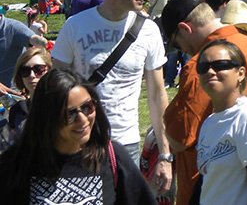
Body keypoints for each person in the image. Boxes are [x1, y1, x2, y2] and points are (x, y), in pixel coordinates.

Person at [51, 0, 172, 191]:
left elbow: (157, 96)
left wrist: (165, 155)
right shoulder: (75, 26)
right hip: (80, 141)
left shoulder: (148, 31)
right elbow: (56, 91)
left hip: (125, 144)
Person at [159, 0, 247, 205]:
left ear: (185, 29)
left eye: (178, 45)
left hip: (212, 191)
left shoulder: (200, 67)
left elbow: (180, 137)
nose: (183, 50)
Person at [0, 68, 156, 204]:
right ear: (47, 117)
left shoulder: (113, 157)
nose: (83, 119)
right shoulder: (15, 165)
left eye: (87, 107)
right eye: (70, 113)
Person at [194, 39, 247, 205]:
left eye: (220, 65)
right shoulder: (209, 123)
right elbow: (206, 183)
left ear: (241, 73)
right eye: (203, 67)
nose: (210, 71)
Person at [2, 46, 51, 149]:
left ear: (49, 70)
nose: (32, 75)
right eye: (25, 71)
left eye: (38, 69)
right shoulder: (17, 110)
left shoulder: (62, 105)